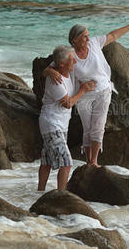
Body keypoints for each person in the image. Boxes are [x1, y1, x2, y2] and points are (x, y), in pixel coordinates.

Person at [43, 14, 129, 167]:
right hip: (84, 95)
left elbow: (113, 35)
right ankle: (88, 160)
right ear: (74, 40)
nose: (87, 38)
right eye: (84, 36)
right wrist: (50, 72)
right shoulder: (70, 54)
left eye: (88, 35)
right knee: (88, 128)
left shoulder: (94, 43)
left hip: (104, 91)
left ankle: (94, 162)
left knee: (99, 126)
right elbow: (51, 67)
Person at [38, 45, 96, 191]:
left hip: (58, 124)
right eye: (72, 60)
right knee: (66, 163)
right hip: (52, 124)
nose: (75, 62)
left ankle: (39, 192)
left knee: (47, 161)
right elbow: (67, 103)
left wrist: (48, 70)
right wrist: (83, 90)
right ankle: (61, 195)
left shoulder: (63, 71)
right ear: (62, 64)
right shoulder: (55, 81)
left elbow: (49, 66)